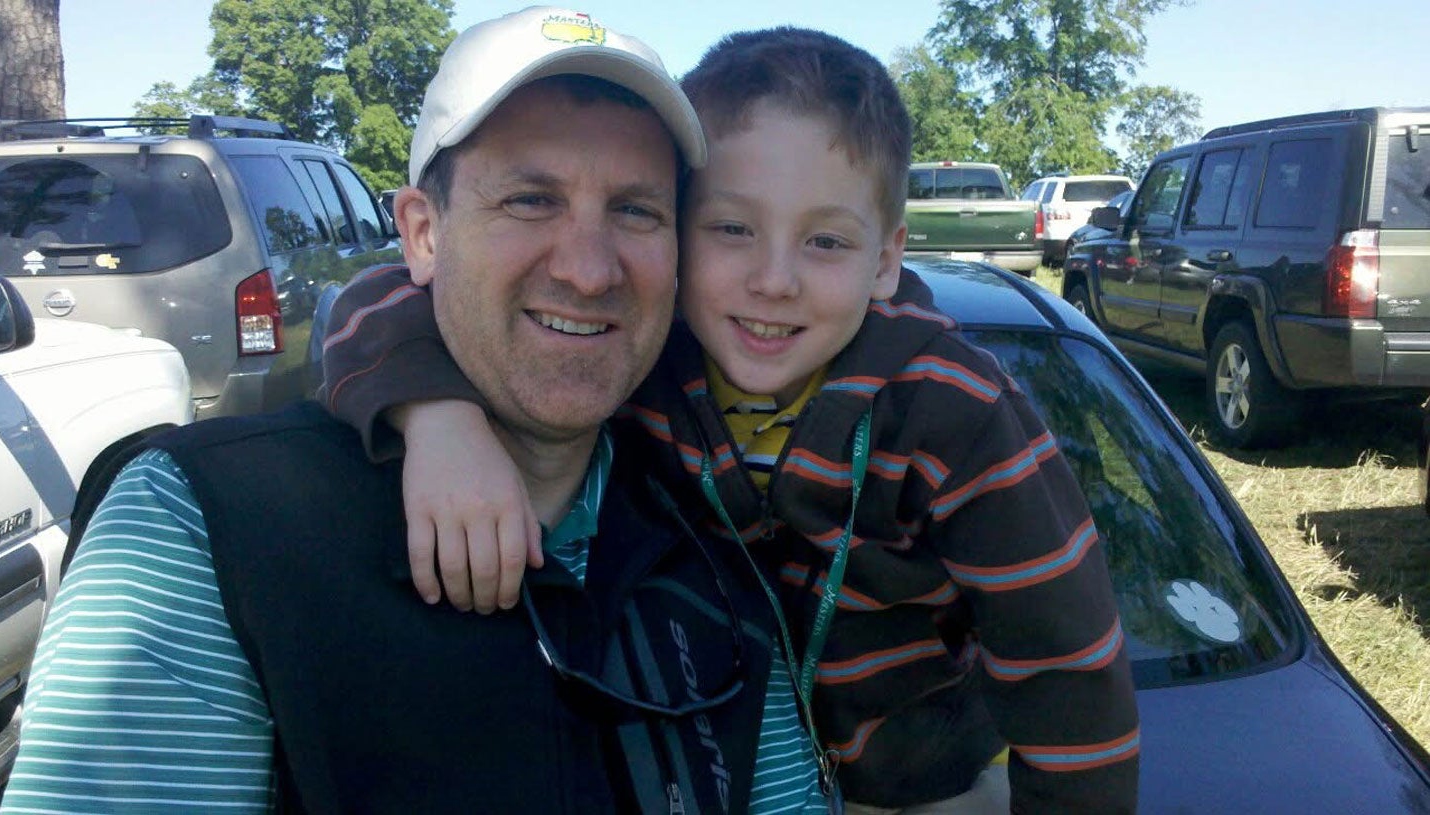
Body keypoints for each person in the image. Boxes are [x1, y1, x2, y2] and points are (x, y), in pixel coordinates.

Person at [0, 8, 828, 814]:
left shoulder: (715, 535)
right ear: (422, 234)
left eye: (636, 209)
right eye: (530, 200)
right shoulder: (208, 529)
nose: (588, 268)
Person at [321, 23, 1141, 815]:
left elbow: (1068, 668)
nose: (773, 280)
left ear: (886, 260)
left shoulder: (954, 412)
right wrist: (437, 419)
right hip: (718, 766)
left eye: (824, 242)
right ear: (677, 234)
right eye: (732, 228)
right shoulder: (647, 356)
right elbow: (380, 295)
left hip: (927, 785)